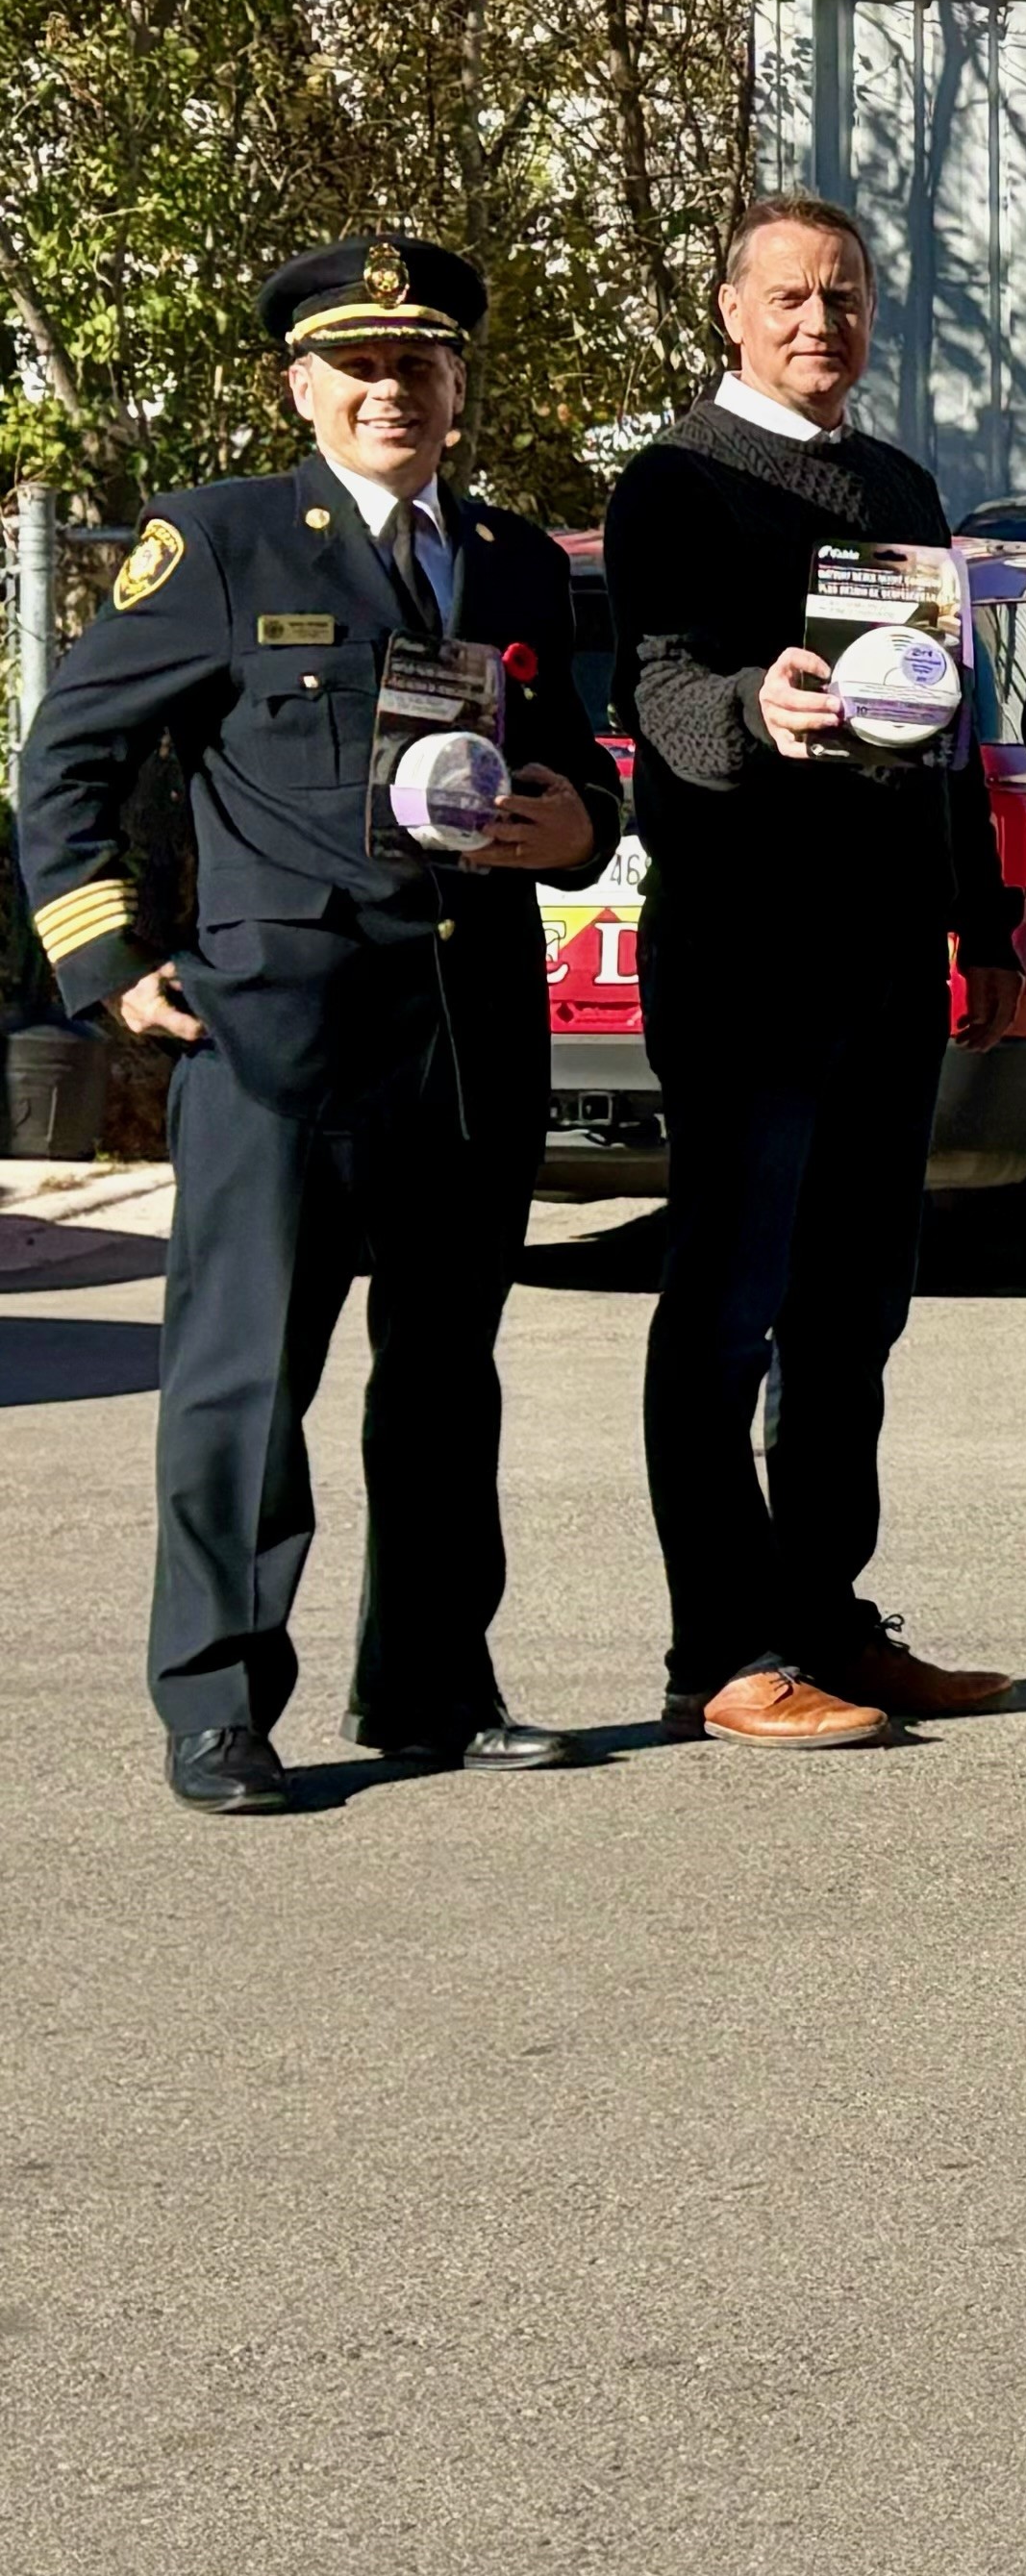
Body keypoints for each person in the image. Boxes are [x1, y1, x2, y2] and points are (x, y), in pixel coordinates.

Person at [11, 236, 622, 1813]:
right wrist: (105, 961)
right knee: (240, 1386)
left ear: (458, 390)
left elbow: (569, 761)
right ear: (303, 386)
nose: (387, 392)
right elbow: (69, 756)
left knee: (444, 1378)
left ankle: (429, 1681)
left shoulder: (506, 563)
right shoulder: (218, 544)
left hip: (467, 1027)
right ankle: (218, 1702)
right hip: (276, 1037)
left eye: (417, 366)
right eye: (356, 366)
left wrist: (579, 827)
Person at [603, 191, 1022, 1750]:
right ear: (730, 310)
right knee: (729, 1308)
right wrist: (748, 712)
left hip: (885, 958)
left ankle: (829, 1616)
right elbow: (658, 681)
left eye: (842, 296)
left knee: (856, 1312)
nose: (817, 322)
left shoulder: (899, 482)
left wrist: (974, 920)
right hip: (745, 956)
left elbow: (945, 721)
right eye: (786, 295)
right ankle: (720, 1649)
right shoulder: (676, 485)